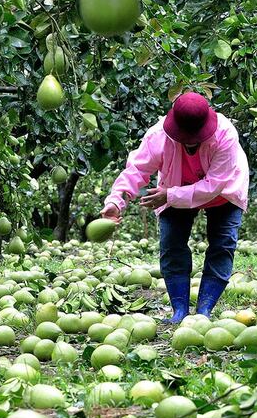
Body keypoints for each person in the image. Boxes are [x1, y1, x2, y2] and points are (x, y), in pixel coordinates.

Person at [101, 92, 249, 323]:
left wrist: (169, 195)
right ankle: (179, 311)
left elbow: (214, 185)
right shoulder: (158, 136)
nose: (190, 141)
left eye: (195, 137)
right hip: (174, 188)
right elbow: (136, 170)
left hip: (222, 191)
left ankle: (204, 310)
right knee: (171, 245)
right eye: (185, 137)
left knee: (223, 244)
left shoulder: (225, 135)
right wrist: (115, 201)